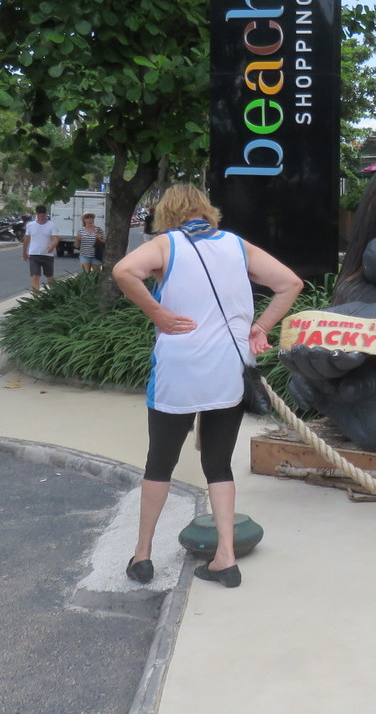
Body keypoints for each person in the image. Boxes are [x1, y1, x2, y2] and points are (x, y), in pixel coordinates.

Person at [111, 184, 302, 589]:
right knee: (218, 465)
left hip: (178, 371)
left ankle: (142, 556)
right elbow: (290, 283)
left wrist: (159, 315)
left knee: (159, 464)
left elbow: (123, 271)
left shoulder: (165, 245)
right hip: (228, 369)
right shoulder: (237, 245)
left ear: (167, 213)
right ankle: (226, 558)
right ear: (206, 211)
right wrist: (261, 327)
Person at [21, 205, 59, 293]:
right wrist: (24, 252)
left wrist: (52, 245)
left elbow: (55, 239)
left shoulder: (51, 225)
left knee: (49, 276)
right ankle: (36, 297)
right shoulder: (30, 225)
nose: (41, 214)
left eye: (43, 212)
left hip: (47, 255)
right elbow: (26, 239)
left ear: (46, 213)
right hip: (34, 254)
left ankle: (55, 294)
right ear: (36, 213)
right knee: (35, 276)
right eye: (39, 212)